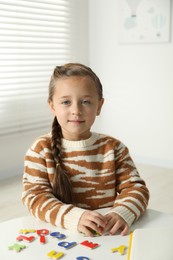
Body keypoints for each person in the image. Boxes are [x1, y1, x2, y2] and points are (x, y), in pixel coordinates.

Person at [22, 63, 149, 237]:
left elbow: (136, 188)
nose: (76, 110)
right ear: (52, 106)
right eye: (66, 102)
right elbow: (34, 197)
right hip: (61, 236)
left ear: (99, 106)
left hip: (106, 236)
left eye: (86, 102)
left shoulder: (114, 148)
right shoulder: (40, 149)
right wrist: (74, 217)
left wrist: (122, 212)